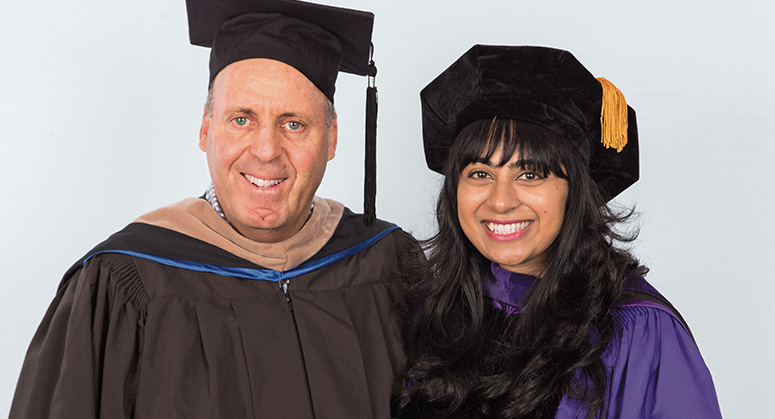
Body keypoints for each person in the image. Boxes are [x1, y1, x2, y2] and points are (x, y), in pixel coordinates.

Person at [10, 1, 415, 418]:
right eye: (242, 119)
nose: (265, 151)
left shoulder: (388, 266)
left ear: (330, 138)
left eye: (294, 123)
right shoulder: (122, 285)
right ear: (206, 128)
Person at [392, 45, 722, 418]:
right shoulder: (429, 309)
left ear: (575, 192)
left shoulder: (638, 331)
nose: (501, 201)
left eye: (530, 174)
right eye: (480, 174)